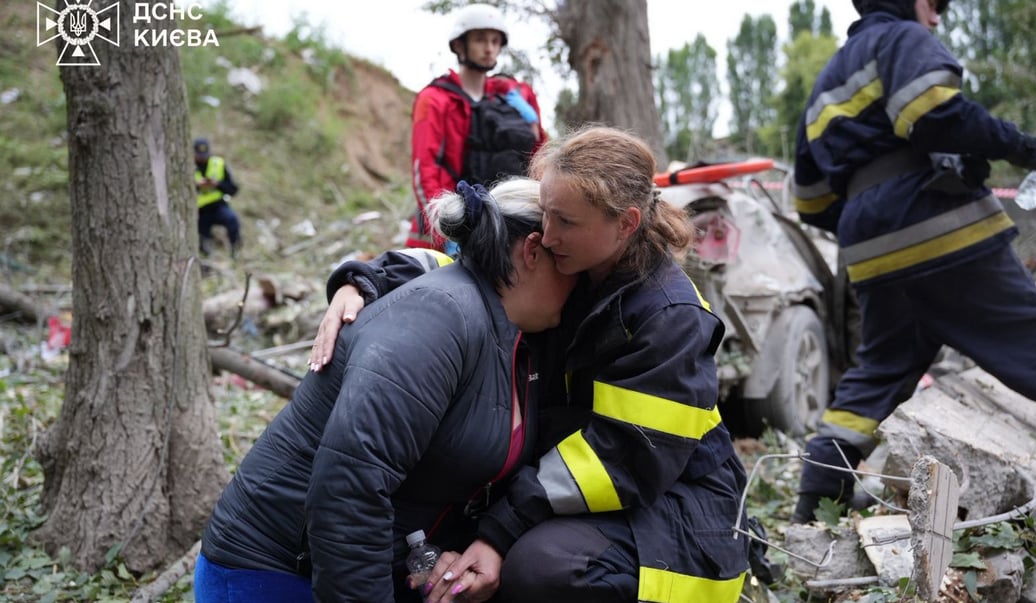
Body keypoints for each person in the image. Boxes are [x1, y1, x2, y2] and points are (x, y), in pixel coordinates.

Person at [312, 126, 753, 603]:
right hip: (574, 494)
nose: (546, 234)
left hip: (678, 510)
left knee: (540, 569)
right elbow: (473, 273)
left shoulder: (669, 318)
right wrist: (364, 279)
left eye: (564, 221)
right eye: (546, 215)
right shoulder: (580, 264)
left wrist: (498, 532)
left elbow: (618, 460)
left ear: (625, 224)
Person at [194, 178, 577, 603]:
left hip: (364, 566)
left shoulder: (514, 334)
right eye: (569, 265)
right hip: (275, 571)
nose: (579, 285)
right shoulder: (438, 321)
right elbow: (349, 490)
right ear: (531, 252)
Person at [789, 0, 1036, 523]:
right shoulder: (901, 38)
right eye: (935, 4)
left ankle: (812, 509)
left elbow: (807, 198)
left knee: (877, 373)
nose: (937, 17)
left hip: (869, 251)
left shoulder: (828, 80)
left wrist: (878, 218)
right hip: (941, 228)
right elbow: (933, 115)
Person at [406, 3, 548, 252]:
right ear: (460, 45)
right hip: (452, 220)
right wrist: (445, 225)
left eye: (495, 41)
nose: (490, 48)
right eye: (481, 39)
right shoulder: (435, 100)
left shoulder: (514, 97)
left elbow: (538, 156)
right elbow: (425, 169)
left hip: (507, 222)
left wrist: (532, 121)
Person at [193, 137, 242, 258]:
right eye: (199, 154)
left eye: (205, 154)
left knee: (232, 220)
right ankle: (206, 260)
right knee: (202, 237)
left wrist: (217, 184)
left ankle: (235, 252)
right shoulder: (186, 166)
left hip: (218, 206)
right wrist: (197, 186)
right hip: (199, 211)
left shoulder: (218, 163)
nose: (203, 157)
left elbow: (233, 189)